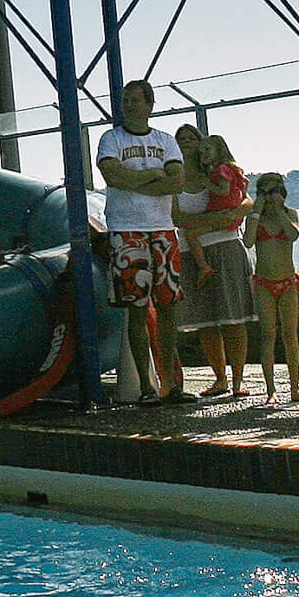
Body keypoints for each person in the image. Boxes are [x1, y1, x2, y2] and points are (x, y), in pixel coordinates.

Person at [97, 79, 189, 404]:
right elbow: (112, 176)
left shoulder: (166, 141)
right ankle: (147, 388)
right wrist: (153, 176)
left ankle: (171, 385)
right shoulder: (111, 139)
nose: (131, 105)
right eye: (126, 99)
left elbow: (176, 182)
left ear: (150, 104)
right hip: (127, 229)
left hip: (162, 229)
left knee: (168, 308)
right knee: (136, 309)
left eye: (137, 100)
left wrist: (133, 180)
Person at [174, 131, 254, 399]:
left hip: (226, 245)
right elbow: (176, 217)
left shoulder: (218, 171)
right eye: (179, 138)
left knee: (234, 318)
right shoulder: (174, 176)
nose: (186, 142)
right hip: (191, 251)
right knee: (205, 321)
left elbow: (246, 199)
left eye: (191, 138)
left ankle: (238, 379)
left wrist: (235, 213)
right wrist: (218, 219)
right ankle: (220, 379)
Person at [247, 173, 299, 402]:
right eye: (264, 192)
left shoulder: (289, 214)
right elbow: (249, 241)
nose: (269, 198)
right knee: (268, 335)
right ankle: (271, 390)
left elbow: (292, 235)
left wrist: (280, 210)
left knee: (291, 335)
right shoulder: (255, 218)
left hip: (287, 282)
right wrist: (255, 211)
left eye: (274, 192)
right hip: (264, 283)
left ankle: (294, 388)